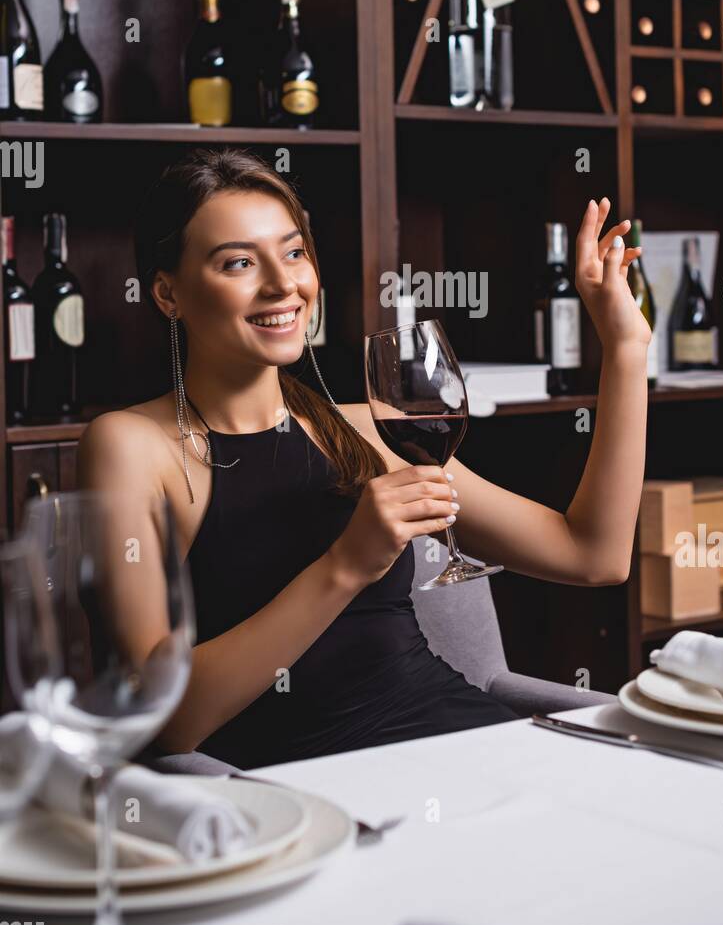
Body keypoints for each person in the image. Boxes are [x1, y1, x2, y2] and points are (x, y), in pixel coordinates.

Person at [77, 148, 650, 769]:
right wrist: (348, 564)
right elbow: (169, 722)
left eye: (295, 252)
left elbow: (594, 554)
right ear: (168, 293)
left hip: (470, 743)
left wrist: (624, 348)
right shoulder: (131, 446)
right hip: (317, 803)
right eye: (239, 262)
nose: (283, 284)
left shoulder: (368, 430)